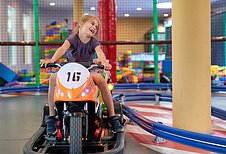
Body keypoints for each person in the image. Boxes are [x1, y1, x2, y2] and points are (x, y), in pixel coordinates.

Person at [40, 14, 124, 136]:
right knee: (53, 78)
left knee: (101, 80)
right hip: (69, 69)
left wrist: (104, 62)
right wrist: (51, 61)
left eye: (96, 26)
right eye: (92, 23)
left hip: (87, 70)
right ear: (81, 24)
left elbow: (99, 52)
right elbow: (62, 49)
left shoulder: (93, 42)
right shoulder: (73, 39)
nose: (94, 27)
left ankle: (112, 116)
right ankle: (52, 116)